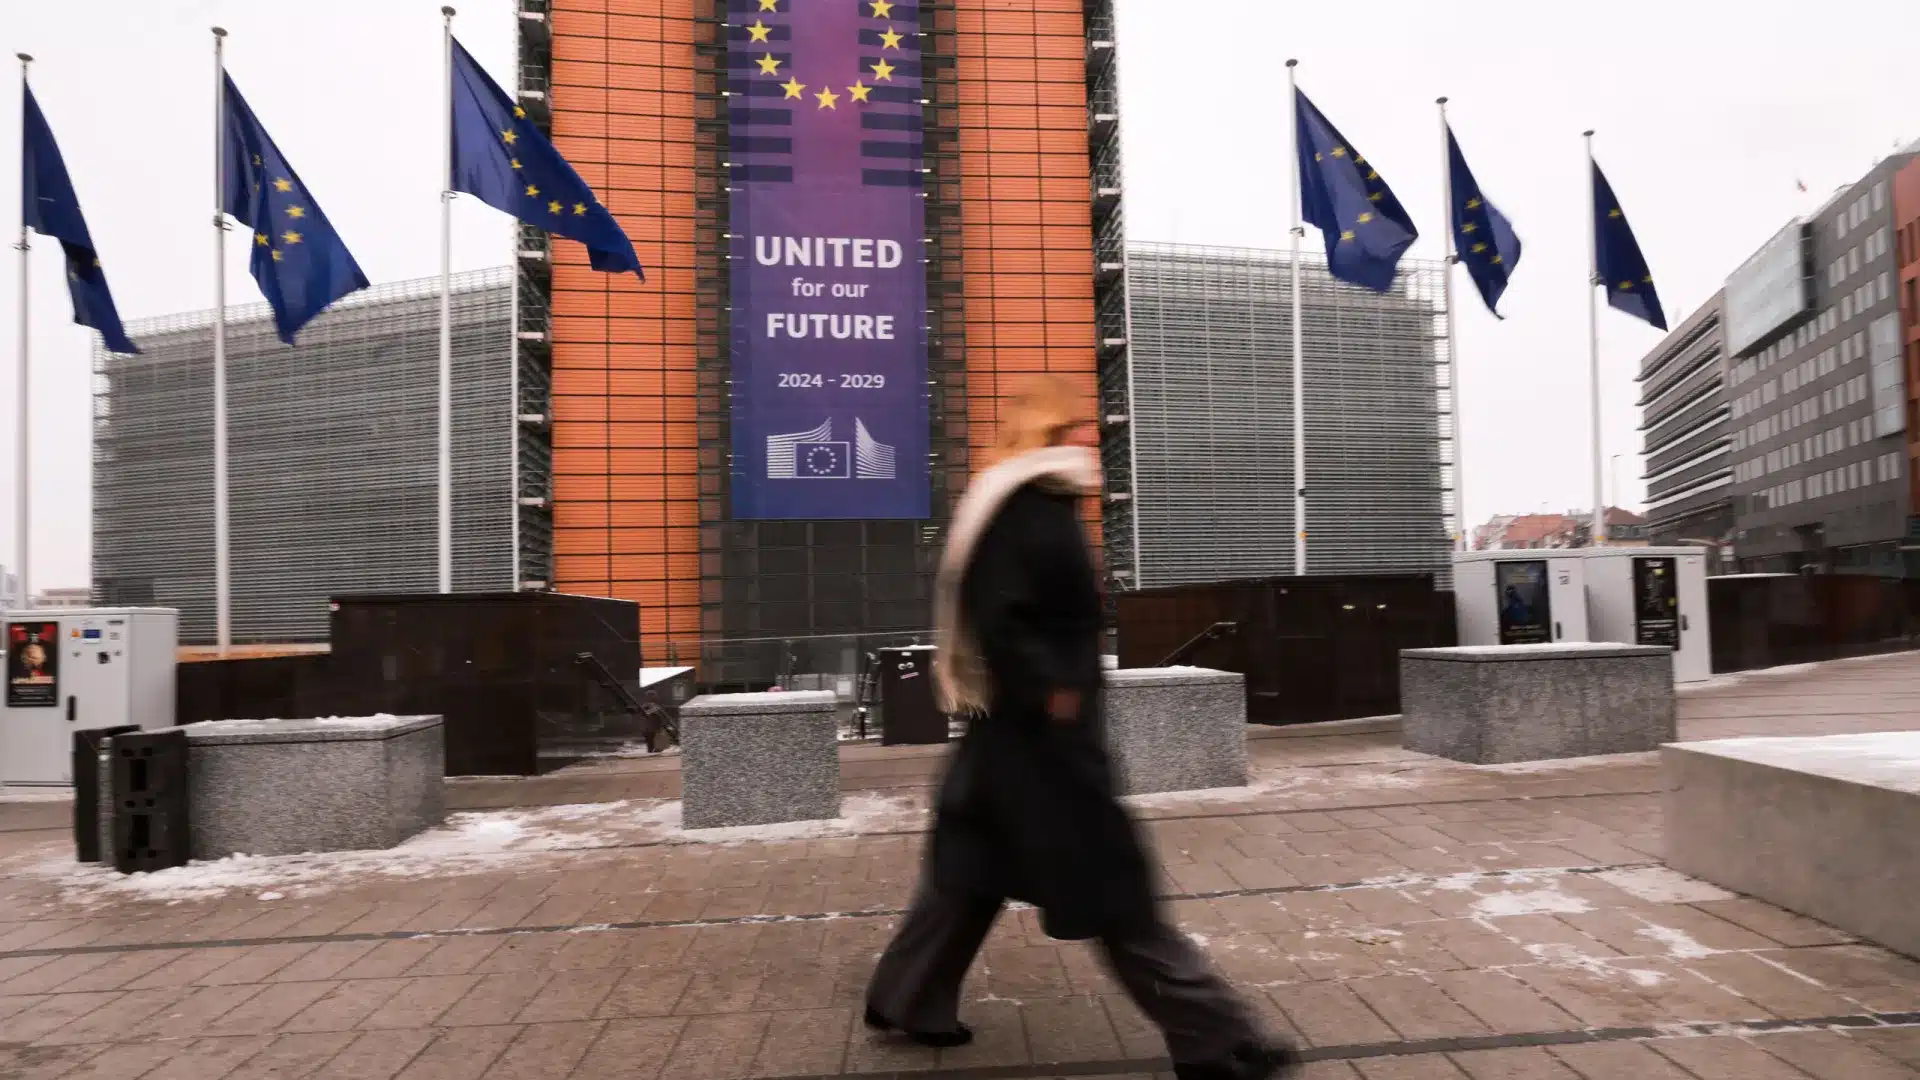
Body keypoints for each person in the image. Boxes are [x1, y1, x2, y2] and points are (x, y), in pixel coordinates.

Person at [863, 375, 1299, 1080]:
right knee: (1116, 894)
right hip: (1043, 748)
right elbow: (1005, 617)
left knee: (967, 877)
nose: (1096, 437)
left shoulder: (1025, 503)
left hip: (1008, 744)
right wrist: (1055, 697)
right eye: (1080, 426)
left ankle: (908, 998)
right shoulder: (1027, 508)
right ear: (1047, 434)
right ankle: (1217, 1042)